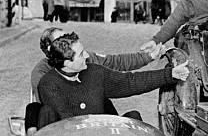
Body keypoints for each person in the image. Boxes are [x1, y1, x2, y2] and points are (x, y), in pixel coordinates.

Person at [37, 32, 190, 124]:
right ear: (67, 63)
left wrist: (170, 74)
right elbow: (67, 121)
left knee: (133, 117)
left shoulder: (94, 72)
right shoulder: (48, 84)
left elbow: (131, 82)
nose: (87, 55)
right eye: (81, 54)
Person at [31, 27, 163, 101]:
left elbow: (117, 62)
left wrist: (148, 56)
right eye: (62, 42)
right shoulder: (42, 75)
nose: (70, 42)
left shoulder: (87, 58)